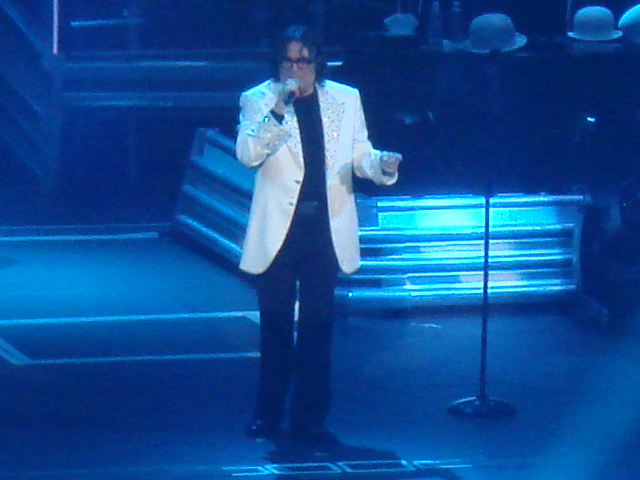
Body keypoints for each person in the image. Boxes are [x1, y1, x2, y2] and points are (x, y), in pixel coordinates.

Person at [235, 24, 402, 444]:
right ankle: (267, 415)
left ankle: (309, 419)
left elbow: (359, 155)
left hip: (325, 229)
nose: (295, 68)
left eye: (303, 60)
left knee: (317, 326)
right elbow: (247, 154)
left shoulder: (345, 98)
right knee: (275, 325)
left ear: (317, 62)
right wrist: (278, 110)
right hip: (280, 229)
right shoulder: (259, 99)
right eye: (287, 61)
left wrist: (381, 165)